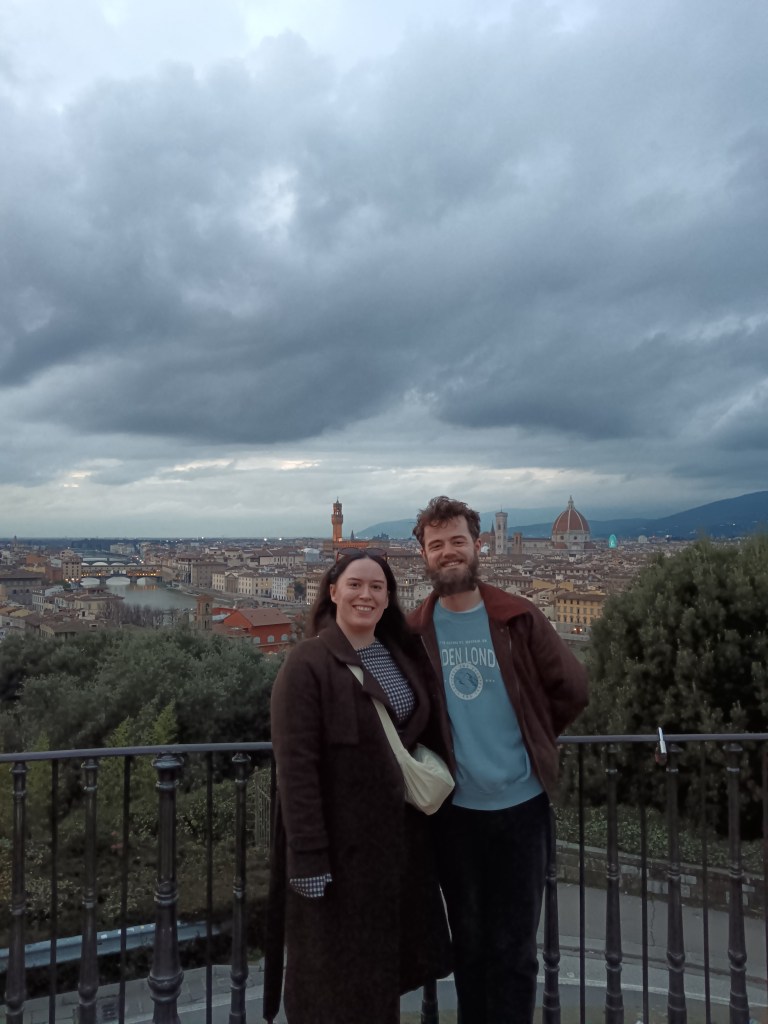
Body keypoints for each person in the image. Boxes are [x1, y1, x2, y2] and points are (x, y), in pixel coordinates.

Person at [408, 496, 589, 1024]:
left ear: (478, 545)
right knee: (468, 946)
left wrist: (532, 736)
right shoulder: (414, 632)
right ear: (423, 554)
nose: (448, 552)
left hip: (521, 810)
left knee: (515, 952)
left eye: (457, 541)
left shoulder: (517, 616)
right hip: (454, 814)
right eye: (436, 544)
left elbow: (572, 688)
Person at [264, 550, 452, 1024]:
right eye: (355, 585)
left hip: (394, 851)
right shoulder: (306, 664)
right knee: (332, 985)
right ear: (333, 592)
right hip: (336, 856)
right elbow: (296, 768)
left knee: (378, 980)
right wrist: (308, 858)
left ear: (389, 598)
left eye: (376, 587)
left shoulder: (397, 655)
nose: (365, 595)